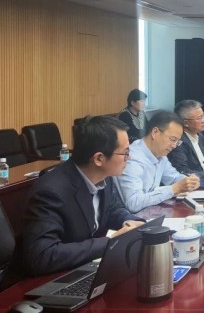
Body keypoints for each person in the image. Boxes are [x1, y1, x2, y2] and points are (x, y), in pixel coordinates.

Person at [21, 116, 145, 276]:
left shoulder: (104, 176)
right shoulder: (51, 192)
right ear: (99, 158)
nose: (130, 158)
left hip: (84, 268)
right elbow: (43, 255)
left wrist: (129, 221)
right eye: (126, 153)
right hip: (47, 279)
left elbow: (112, 208)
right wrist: (110, 243)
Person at [117, 110, 201, 213]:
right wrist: (173, 189)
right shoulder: (132, 159)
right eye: (173, 139)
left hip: (152, 213)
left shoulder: (161, 156)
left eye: (177, 142)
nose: (174, 145)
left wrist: (188, 181)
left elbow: (173, 177)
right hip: (130, 219)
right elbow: (133, 203)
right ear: (155, 132)